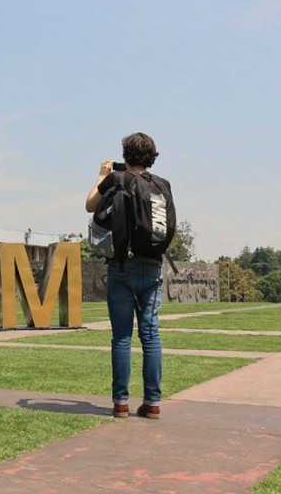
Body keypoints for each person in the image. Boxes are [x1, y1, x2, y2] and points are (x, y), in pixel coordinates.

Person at [86, 132, 171, 420]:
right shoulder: (162, 185)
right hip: (152, 266)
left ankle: (120, 402)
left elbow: (89, 204)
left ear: (126, 154)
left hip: (122, 266)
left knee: (122, 337)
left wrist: (101, 175)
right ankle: (152, 402)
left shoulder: (117, 179)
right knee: (150, 335)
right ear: (152, 156)